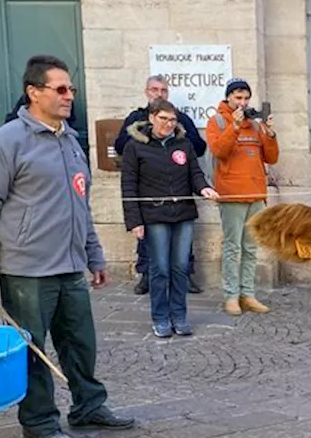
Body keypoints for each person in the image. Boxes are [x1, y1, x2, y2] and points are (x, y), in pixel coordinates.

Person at [0, 54, 135, 438]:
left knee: (80, 340)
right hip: (26, 267)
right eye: (60, 89)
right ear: (33, 92)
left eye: (71, 89)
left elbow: (81, 204)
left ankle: (88, 405)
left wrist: (93, 255)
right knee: (32, 348)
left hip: (70, 263)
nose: (68, 96)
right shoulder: (7, 141)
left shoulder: (70, 142)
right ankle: (40, 420)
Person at [120, 99, 219, 337]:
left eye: (172, 120)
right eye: (163, 119)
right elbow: (129, 187)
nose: (168, 124)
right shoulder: (135, 147)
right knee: (160, 268)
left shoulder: (183, 145)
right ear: (152, 118)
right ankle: (160, 317)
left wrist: (204, 189)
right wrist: (134, 222)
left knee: (180, 267)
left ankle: (179, 315)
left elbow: (195, 174)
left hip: (183, 214)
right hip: (154, 215)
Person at [114, 75, 207, 296]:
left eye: (163, 90)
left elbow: (199, 148)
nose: (159, 93)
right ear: (147, 92)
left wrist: (177, 139)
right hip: (149, 191)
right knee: (148, 239)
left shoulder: (180, 119)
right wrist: (147, 144)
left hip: (178, 189)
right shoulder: (135, 117)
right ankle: (146, 275)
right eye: (155, 89)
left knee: (182, 243)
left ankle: (186, 275)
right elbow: (120, 145)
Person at [205, 78, 279, 316]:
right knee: (232, 247)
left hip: (255, 193)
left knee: (250, 247)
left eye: (246, 98)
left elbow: (271, 157)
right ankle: (230, 296)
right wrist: (233, 128)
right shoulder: (217, 121)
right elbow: (219, 151)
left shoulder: (255, 126)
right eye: (238, 98)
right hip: (231, 194)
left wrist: (270, 133)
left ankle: (248, 294)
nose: (242, 103)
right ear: (228, 98)